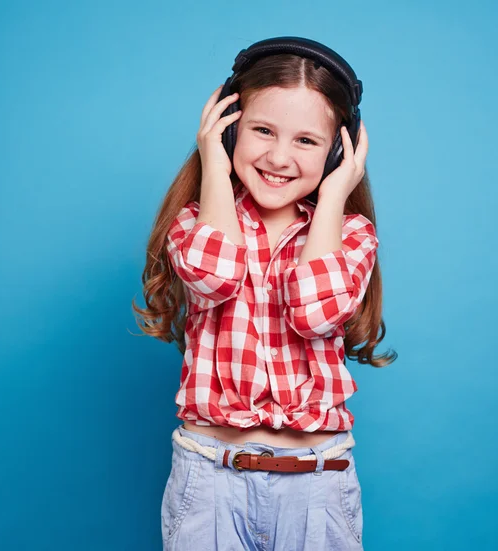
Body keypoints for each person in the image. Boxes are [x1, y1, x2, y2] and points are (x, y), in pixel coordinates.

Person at [133, 36, 397, 551]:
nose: (278, 156)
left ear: (338, 151)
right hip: (209, 480)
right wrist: (214, 163)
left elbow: (315, 313)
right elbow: (215, 277)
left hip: (317, 485)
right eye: (261, 131)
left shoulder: (351, 235)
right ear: (230, 132)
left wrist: (334, 195)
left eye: (306, 141)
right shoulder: (194, 222)